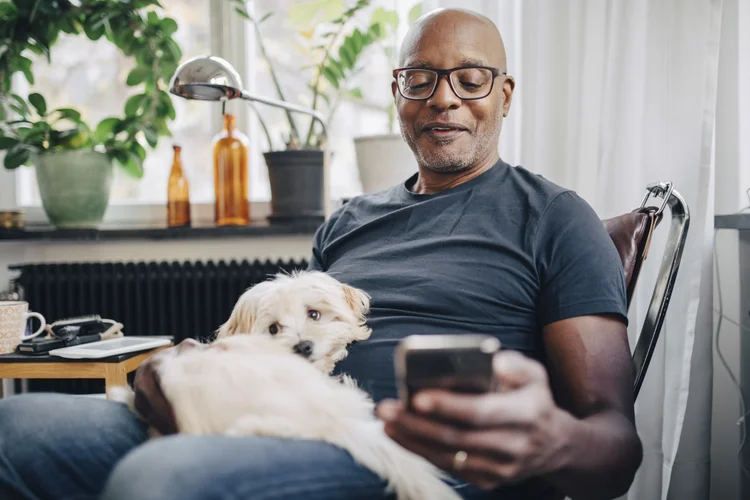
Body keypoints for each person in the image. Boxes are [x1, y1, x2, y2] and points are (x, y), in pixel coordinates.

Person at [0, 8, 642, 500]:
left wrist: (550, 440)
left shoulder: (556, 218)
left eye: (470, 79)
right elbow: (289, 340)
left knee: (162, 478)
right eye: (420, 78)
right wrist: (192, 365)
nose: (443, 97)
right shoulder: (348, 223)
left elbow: (616, 447)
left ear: (504, 94)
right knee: (15, 430)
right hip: (267, 416)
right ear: (398, 94)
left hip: (398, 455)